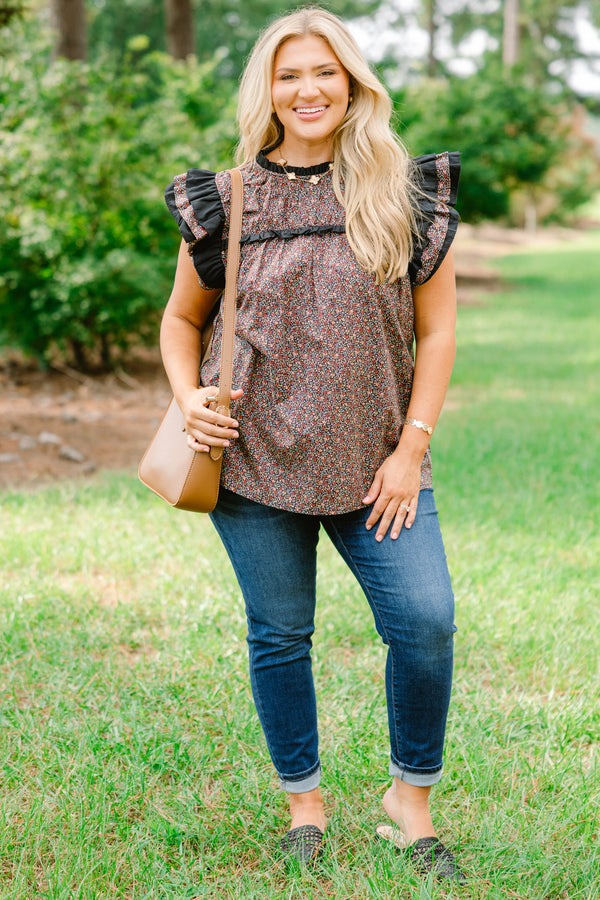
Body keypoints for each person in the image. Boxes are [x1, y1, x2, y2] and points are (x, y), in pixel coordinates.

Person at [160, 5, 463, 883]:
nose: (307, 89)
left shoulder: (404, 192)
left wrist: (411, 448)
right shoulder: (228, 199)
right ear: (268, 89)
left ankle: (410, 807)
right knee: (280, 635)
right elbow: (183, 321)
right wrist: (190, 400)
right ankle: (305, 805)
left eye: (323, 71)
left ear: (353, 83)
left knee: (426, 622)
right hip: (253, 461)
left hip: (381, 465)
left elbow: (436, 335)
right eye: (288, 74)